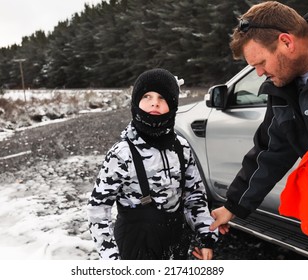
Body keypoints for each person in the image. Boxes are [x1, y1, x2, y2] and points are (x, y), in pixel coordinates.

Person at [209, 1, 308, 260]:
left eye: (260, 63)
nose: (258, 73)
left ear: (286, 42)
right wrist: (232, 206)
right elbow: (270, 151)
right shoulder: (284, 90)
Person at [87, 68, 219, 260]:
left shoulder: (182, 148)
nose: (154, 102)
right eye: (147, 96)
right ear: (136, 102)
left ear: (173, 105)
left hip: (175, 242)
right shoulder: (122, 154)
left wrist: (206, 237)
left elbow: (195, 195)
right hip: (135, 246)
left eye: (162, 98)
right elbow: (98, 207)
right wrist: (110, 257)